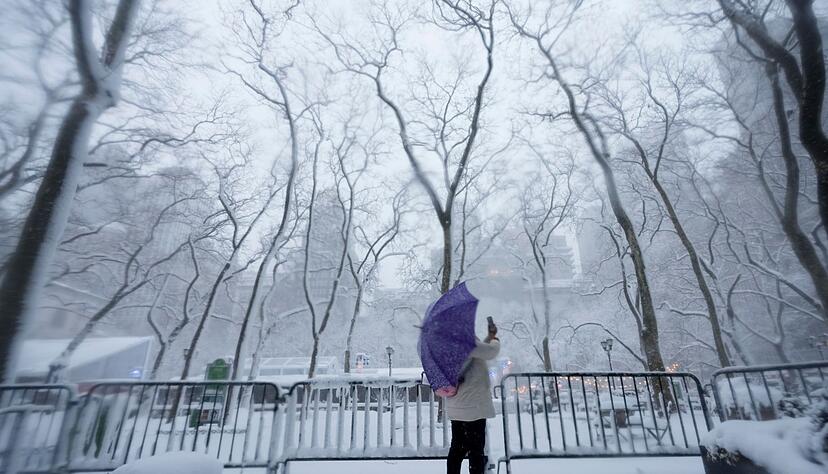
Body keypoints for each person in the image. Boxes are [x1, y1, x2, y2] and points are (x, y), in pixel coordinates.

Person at [445, 317, 500, 474]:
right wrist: (494, 339)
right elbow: (490, 352)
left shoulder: (450, 343)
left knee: (457, 448)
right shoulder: (465, 340)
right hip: (472, 407)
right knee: (476, 450)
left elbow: (476, 353)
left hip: (458, 406)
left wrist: (488, 338)